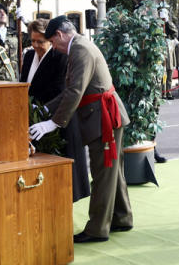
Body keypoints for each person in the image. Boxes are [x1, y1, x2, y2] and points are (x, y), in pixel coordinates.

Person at [28, 16, 133, 243]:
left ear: (60, 35)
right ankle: (122, 217)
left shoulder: (80, 50)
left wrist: (53, 123)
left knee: (103, 173)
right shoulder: (79, 47)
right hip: (103, 115)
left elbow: (76, 91)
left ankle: (97, 229)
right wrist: (44, 109)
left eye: (52, 42)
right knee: (112, 171)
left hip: (103, 117)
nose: (53, 47)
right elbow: (70, 91)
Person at [20, 19, 90, 202]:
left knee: (64, 167)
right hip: (35, 118)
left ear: (51, 40)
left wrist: (43, 111)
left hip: (58, 116)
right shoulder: (29, 56)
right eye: (32, 41)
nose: (35, 45)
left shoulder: (61, 56)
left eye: (40, 41)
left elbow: (64, 90)